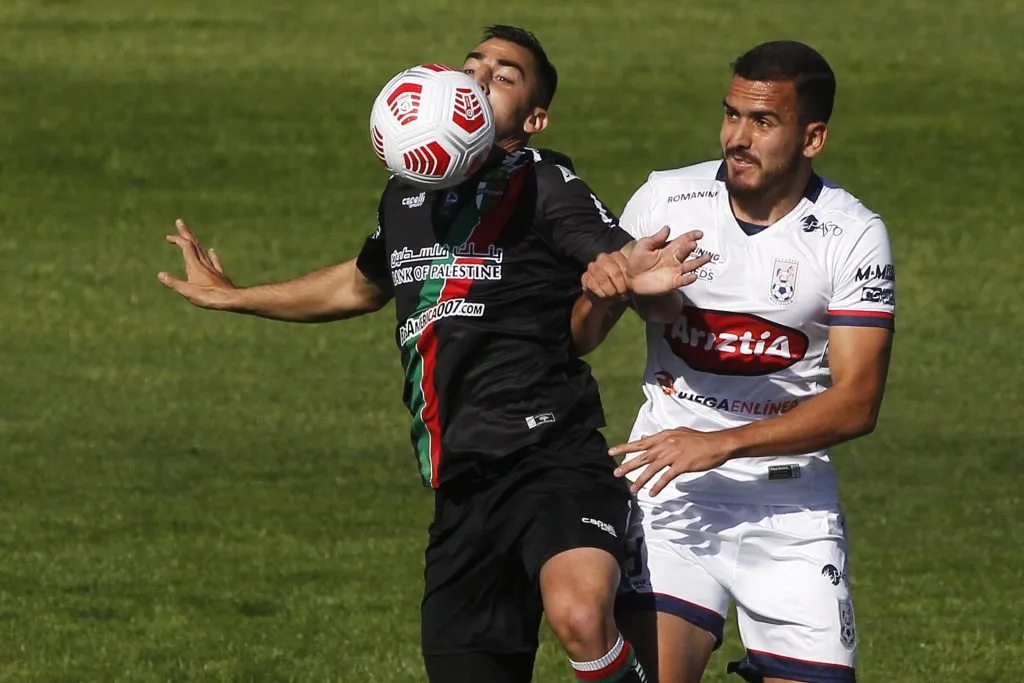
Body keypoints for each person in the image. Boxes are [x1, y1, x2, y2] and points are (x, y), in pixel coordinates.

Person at [158, 24, 711, 683]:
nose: (478, 78)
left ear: (534, 118)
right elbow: (361, 282)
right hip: (459, 482)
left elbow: (616, 260)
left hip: (552, 458)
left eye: (504, 75)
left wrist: (636, 276)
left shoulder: (542, 182)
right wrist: (236, 296)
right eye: (473, 65)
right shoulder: (406, 193)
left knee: (581, 615)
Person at [575, 41, 895, 683]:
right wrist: (607, 290)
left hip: (791, 507)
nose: (737, 138)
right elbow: (580, 338)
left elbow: (858, 402)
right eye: (731, 115)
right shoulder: (665, 200)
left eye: (763, 122)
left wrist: (722, 444)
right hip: (669, 490)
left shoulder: (853, 234)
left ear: (813, 138)